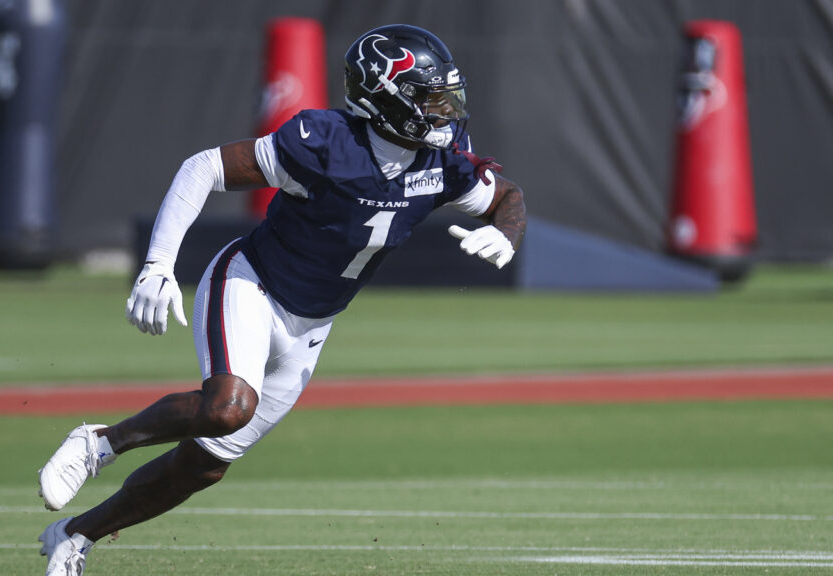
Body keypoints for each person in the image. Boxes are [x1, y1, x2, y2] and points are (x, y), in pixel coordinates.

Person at [36, 23, 526, 575]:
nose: (443, 111)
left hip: (313, 323)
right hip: (253, 283)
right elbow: (204, 168)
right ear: (384, 98)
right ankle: (98, 443)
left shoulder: (442, 160)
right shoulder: (326, 143)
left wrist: (506, 233)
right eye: (428, 97)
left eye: (446, 96)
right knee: (227, 407)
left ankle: (73, 538)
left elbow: (505, 195)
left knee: (203, 467)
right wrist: (158, 265)